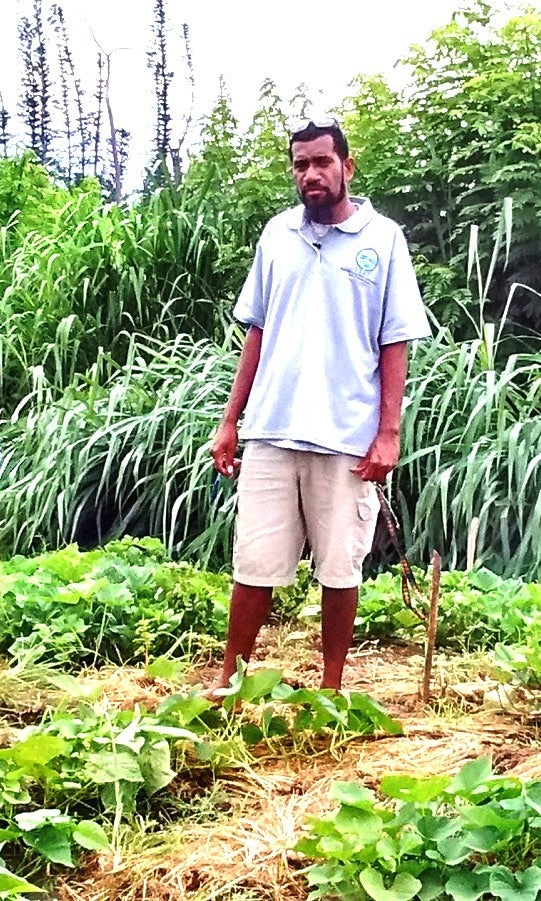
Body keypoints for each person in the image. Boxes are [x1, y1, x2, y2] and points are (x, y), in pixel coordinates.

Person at [207, 117, 431, 696]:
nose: (311, 173)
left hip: (346, 437)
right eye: (301, 164)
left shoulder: (382, 241)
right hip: (272, 431)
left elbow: (395, 340)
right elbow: (255, 331)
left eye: (322, 162)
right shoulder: (277, 235)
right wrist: (231, 422)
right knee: (253, 565)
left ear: (347, 167)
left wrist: (388, 433)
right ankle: (231, 681)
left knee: (340, 569)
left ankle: (331, 690)